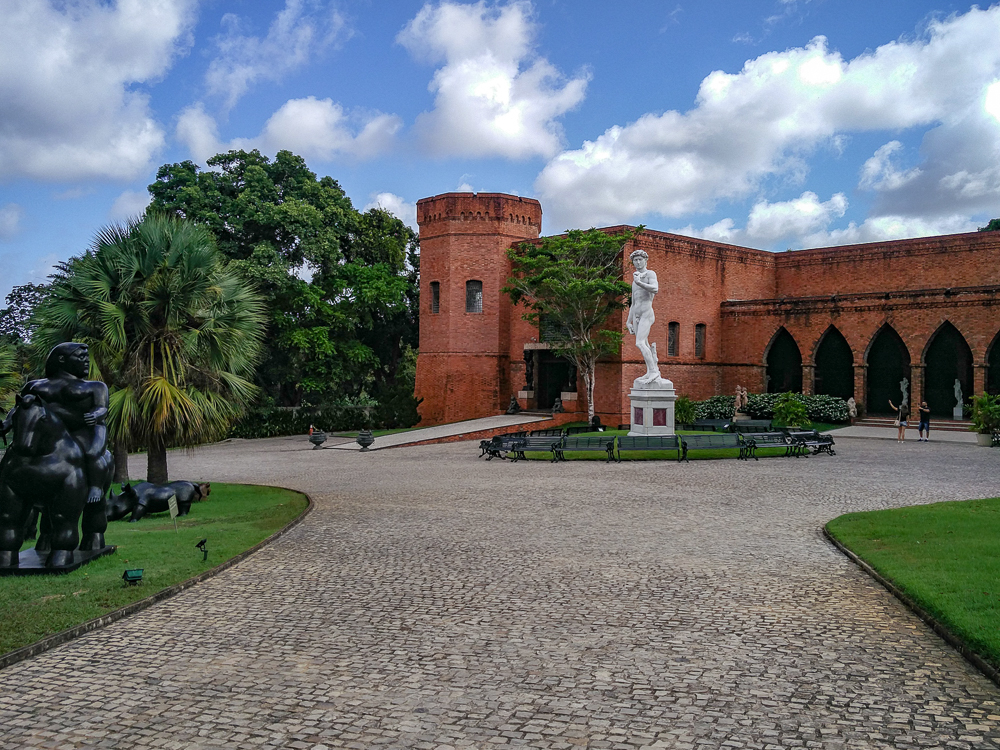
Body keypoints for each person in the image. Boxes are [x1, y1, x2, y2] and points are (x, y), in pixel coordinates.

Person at [3, 343, 112, 504]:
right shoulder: (35, 386)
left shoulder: (96, 386)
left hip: (86, 428)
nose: (86, 361)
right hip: (52, 431)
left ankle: (96, 486)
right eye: (81, 357)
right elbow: (20, 408)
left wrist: (95, 415)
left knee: (91, 453)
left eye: (86, 358)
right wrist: (7, 424)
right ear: (62, 359)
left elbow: (102, 408)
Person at [626, 248, 660, 383]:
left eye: (640, 259)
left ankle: (653, 372)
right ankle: (651, 370)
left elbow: (655, 289)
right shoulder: (635, 280)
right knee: (644, 343)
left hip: (647, 313)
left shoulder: (650, 274)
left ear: (645, 260)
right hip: (636, 315)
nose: (638, 262)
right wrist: (628, 321)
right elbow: (633, 303)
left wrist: (640, 282)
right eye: (635, 260)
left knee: (640, 343)